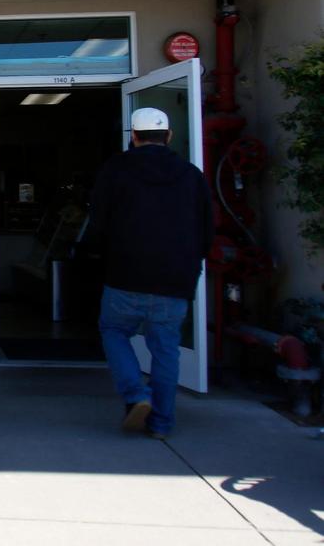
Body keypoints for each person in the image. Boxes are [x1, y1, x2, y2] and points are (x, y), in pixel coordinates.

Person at [86, 107, 213, 440]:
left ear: (134, 137)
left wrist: (96, 256)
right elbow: (206, 230)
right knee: (166, 349)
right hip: (175, 280)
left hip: (125, 275)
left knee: (113, 330)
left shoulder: (115, 170)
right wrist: (193, 266)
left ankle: (136, 394)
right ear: (168, 136)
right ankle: (161, 422)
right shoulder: (191, 175)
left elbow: (98, 224)